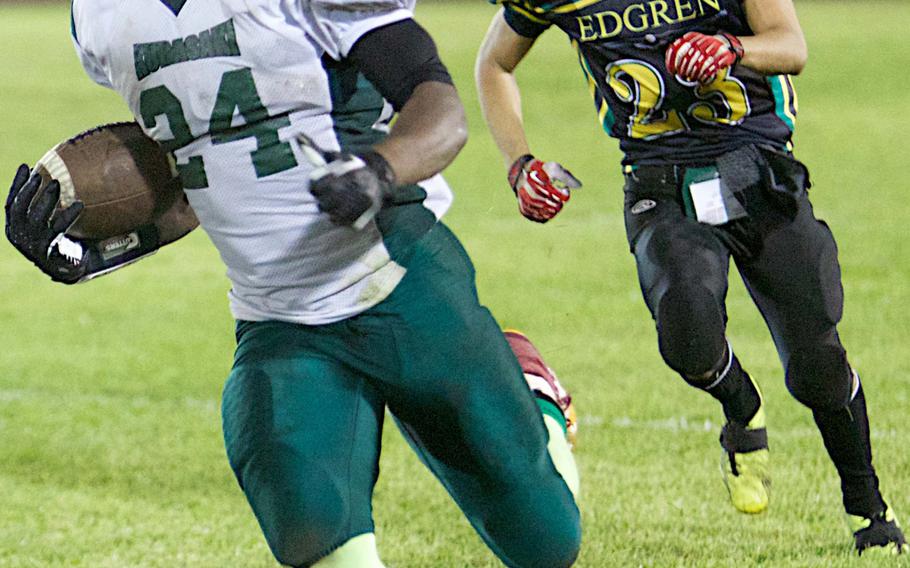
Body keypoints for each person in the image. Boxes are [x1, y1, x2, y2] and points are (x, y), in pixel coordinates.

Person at [4, 0, 582, 566]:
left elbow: (441, 111)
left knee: (546, 545)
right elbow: (204, 168)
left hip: (400, 278)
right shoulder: (100, 15)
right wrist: (94, 250)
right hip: (278, 318)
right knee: (304, 511)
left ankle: (533, 391)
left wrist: (378, 171)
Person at [475, 0, 906, 555]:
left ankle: (868, 507)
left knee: (817, 365)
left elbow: (791, 45)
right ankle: (740, 407)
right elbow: (495, 64)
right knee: (687, 330)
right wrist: (519, 163)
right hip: (658, 181)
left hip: (759, 168)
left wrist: (734, 49)